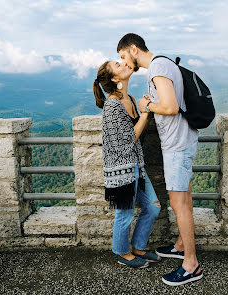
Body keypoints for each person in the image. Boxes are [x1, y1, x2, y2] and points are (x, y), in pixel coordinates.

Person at [117, 33, 203, 286]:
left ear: (133, 49)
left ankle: (191, 264)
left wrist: (147, 106)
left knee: (179, 205)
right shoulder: (163, 64)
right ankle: (179, 245)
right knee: (183, 201)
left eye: (123, 56)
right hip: (180, 141)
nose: (124, 62)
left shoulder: (157, 66)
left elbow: (170, 107)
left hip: (177, 145)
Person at [93, 60, 161, 268]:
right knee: (125, 212)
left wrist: (143, 106)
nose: (124, 64)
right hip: (121, 169)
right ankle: (123, 252)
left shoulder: (129, 98)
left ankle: (138, 247)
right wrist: (146, 112)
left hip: (136, 166)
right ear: (115, 78)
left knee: (153, 207)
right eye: (118, 65)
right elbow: (128, 139)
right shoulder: (113, 105)